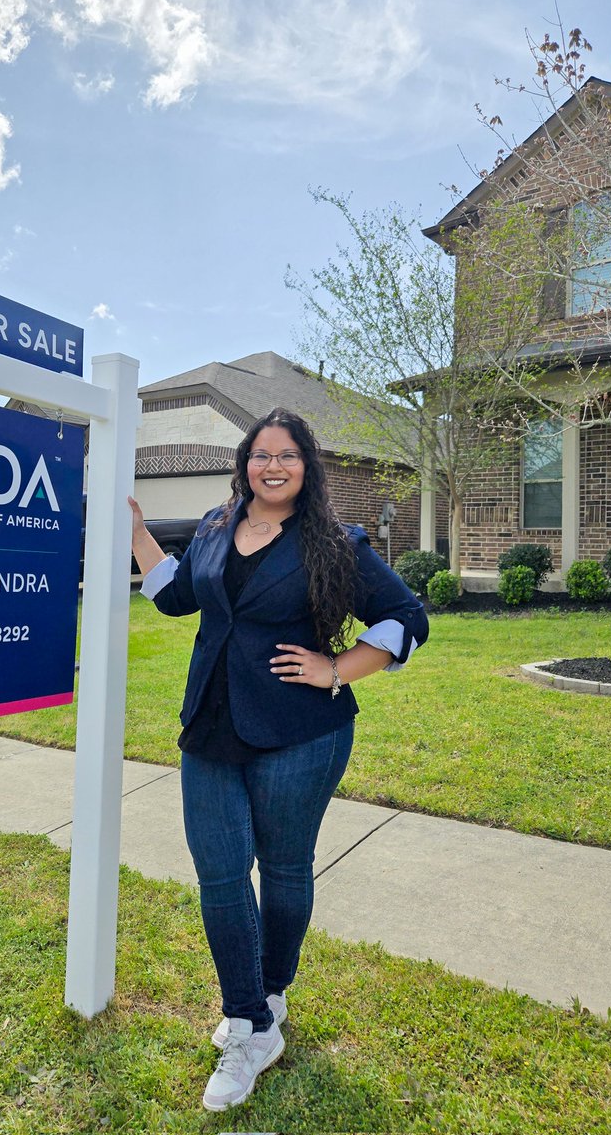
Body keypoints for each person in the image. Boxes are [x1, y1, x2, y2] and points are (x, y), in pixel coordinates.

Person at [128, 408, 428, 1113]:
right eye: (261, 453)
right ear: (244, 461)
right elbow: (176, 596)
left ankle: (268, 998)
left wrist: (337, 668)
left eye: (287, 455)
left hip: (301, 733)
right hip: (210, 725)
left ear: (306, 466)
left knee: (285, 870)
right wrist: (136, 532)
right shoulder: (213, 524)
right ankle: (251, 1023)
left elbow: (405, 615)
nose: (272, 465)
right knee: (221, 875)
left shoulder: (335, 542)